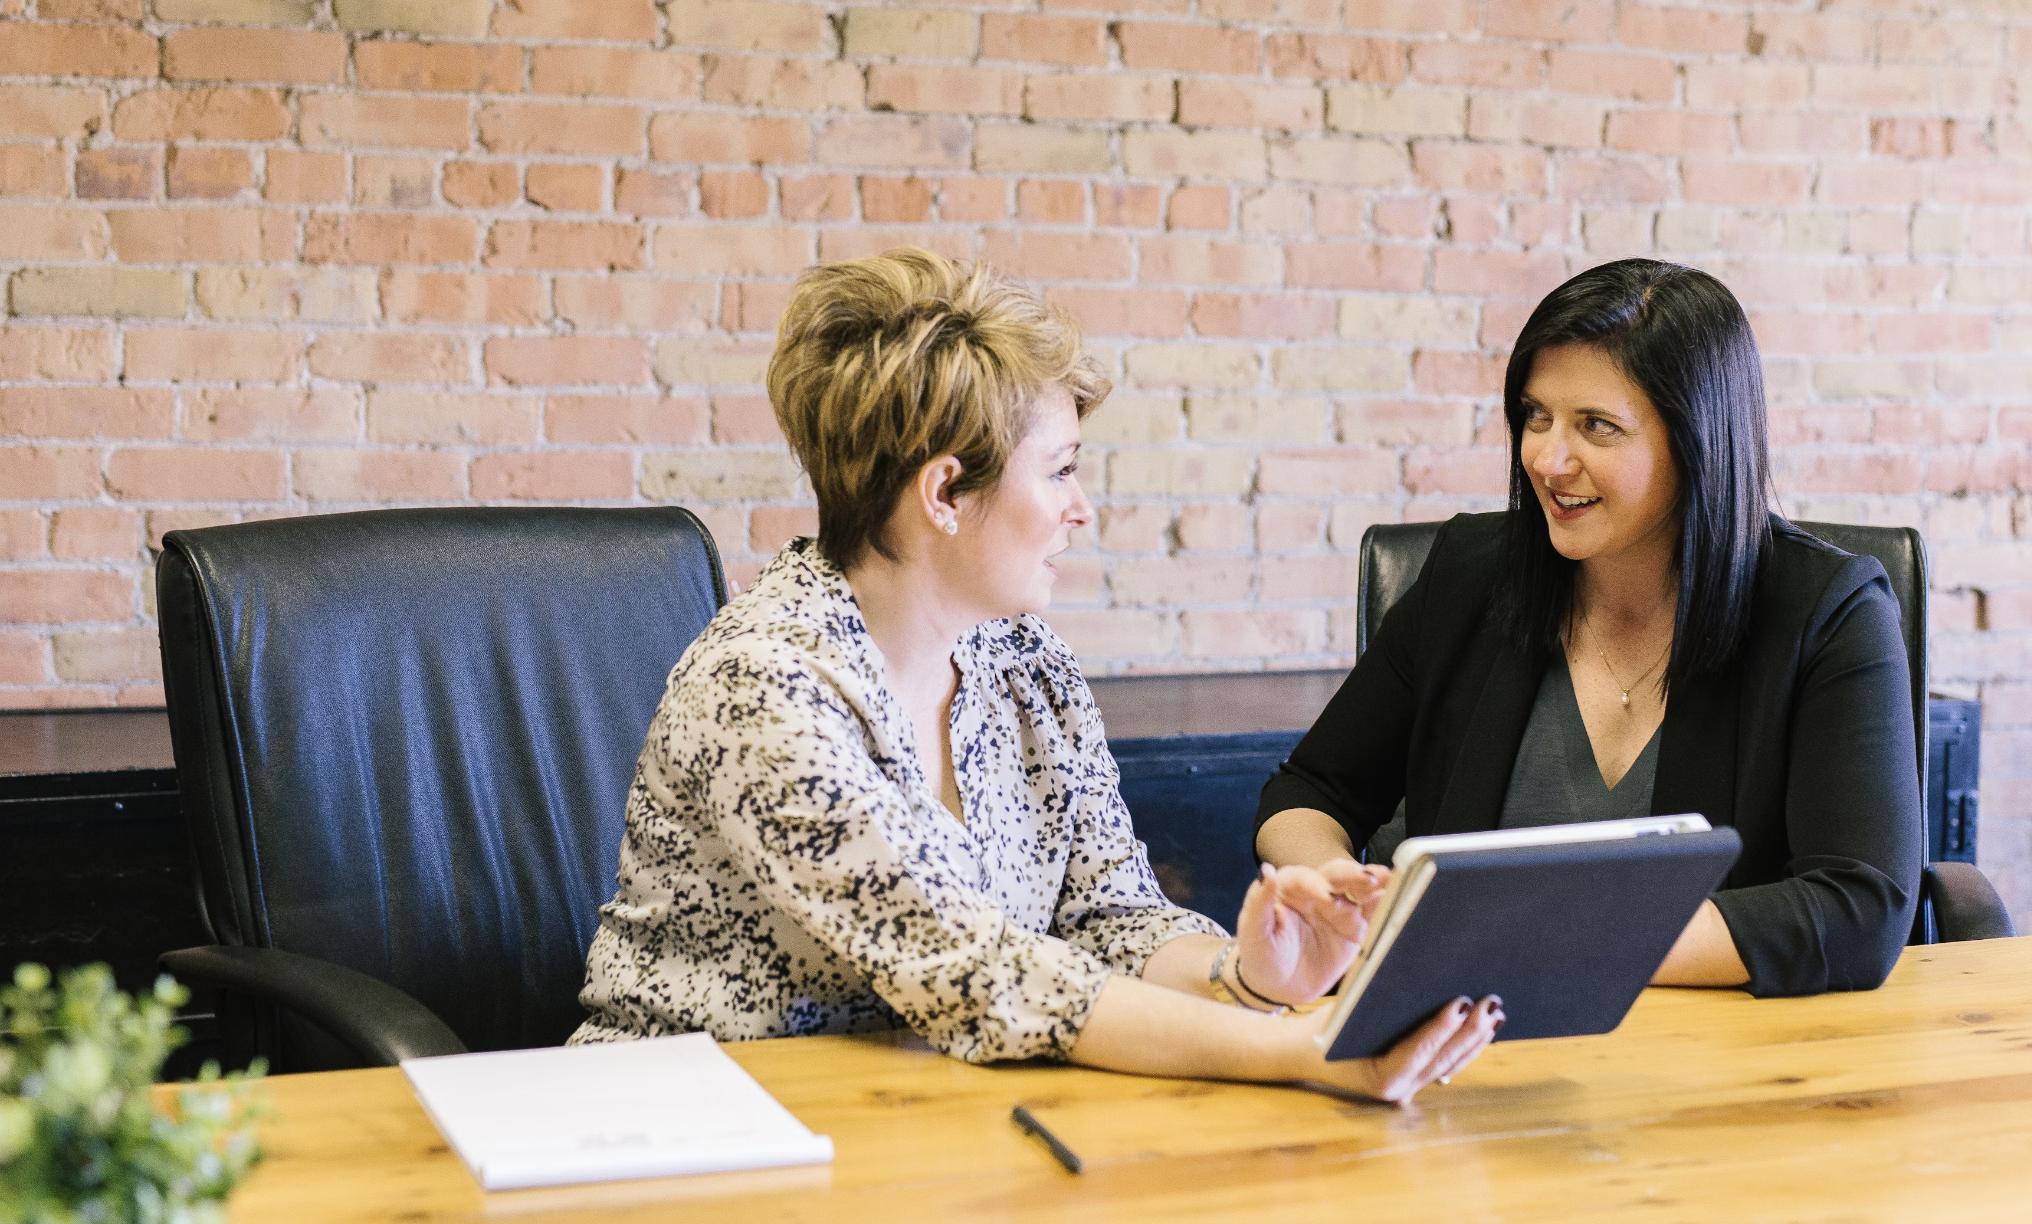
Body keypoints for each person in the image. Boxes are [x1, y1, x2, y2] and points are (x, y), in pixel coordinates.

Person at [572, 248, 1501, 1102]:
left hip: (923, 1116)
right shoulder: (764, 687)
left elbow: (1111, 917)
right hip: (684, 1127)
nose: (1081, 508)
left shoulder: (1024, 661)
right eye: (1059, 471)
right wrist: (1302, 1048)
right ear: (945, 492)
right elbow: (979, 974)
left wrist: (1249, 977)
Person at [1256, 259, 1921, 998]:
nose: (1547, 459)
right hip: (1465, 1037)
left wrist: (1535, 939)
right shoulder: (1471, 575)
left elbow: (1859, 907)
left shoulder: (1828, 612)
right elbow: (1309, 790)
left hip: (1717, 1044)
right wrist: (1335, 888)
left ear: (1697, 440)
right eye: (1536, 416)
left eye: (1597, 427)